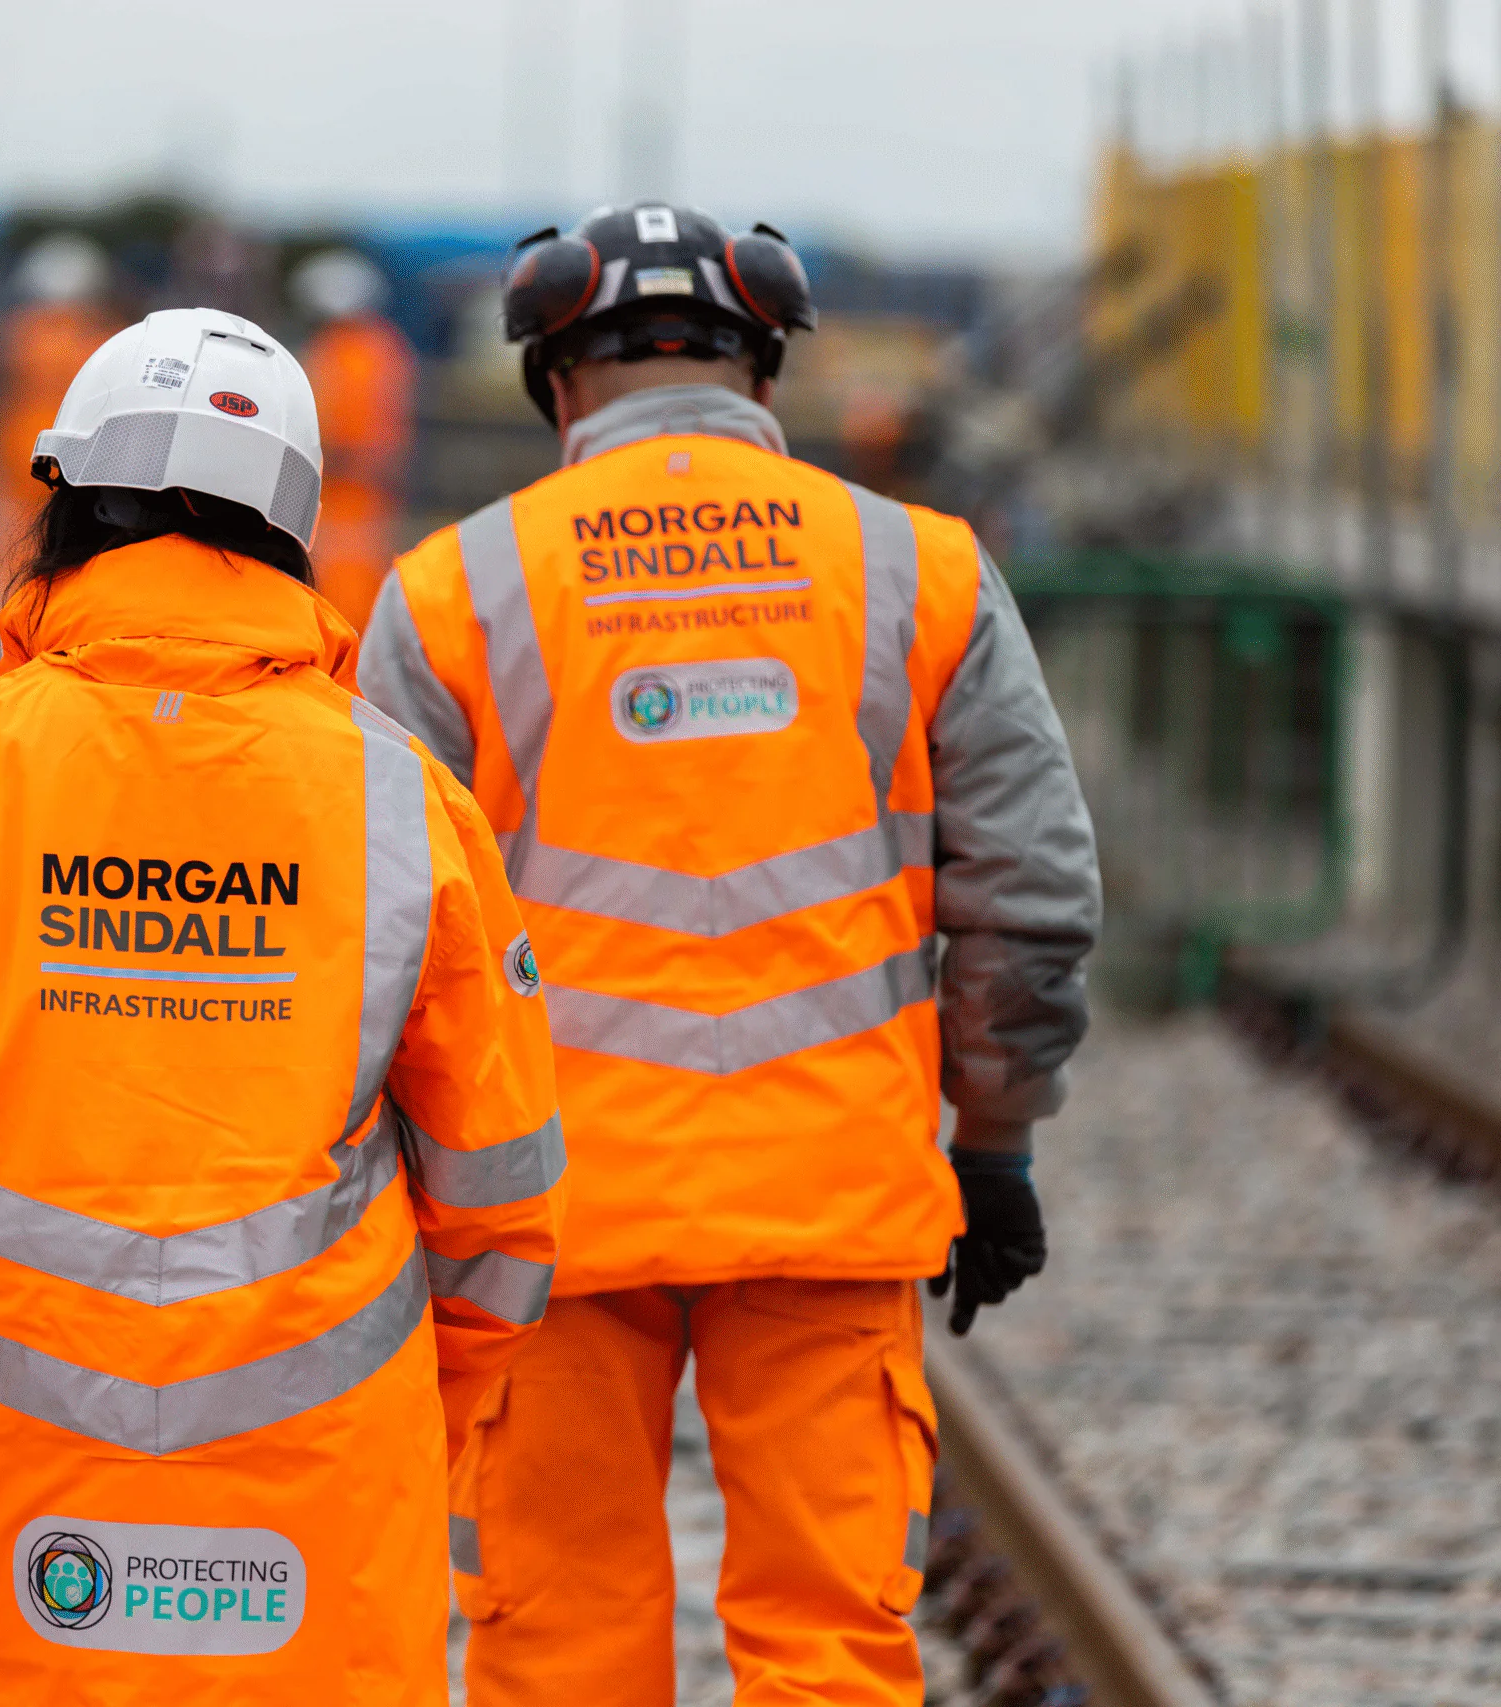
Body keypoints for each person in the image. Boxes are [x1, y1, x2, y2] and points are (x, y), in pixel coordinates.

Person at [0, 306, 566, 1703]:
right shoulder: (404, 810)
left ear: (65, 503)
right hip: (313, 1499)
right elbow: (501, 1205)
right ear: (294, 529)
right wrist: (400, 1418)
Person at [357, 202, 1099, 1705]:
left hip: (539, 1224)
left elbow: (373, 932)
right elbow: (1027, 895)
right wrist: (997, 1139)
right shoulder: (920, 570)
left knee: (554, 1649)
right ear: (767, 369)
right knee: (834, 1647)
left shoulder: (451, 594)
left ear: (553, 380)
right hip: (828, 1202)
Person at [0, 234, 121, 603]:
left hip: (19, 446)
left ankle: (7, 605)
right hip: (79, 449)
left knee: (13, 531)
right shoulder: (100, 338)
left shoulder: (18, 332)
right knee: (76, 532)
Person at [292, 249, 416, 634]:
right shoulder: (386, 346)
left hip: (342, 496)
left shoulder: (340, 352)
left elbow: (334, 435)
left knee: (337, 607)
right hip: (371, 497)